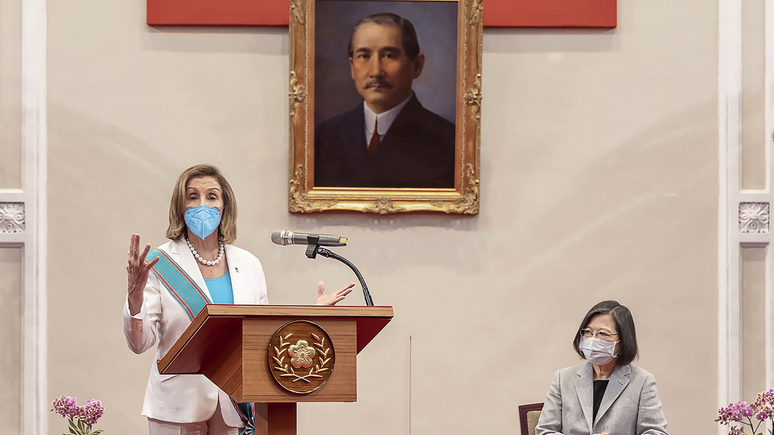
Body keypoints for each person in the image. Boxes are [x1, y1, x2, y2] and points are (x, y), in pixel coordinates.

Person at [123, 164, 354, 434]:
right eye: (193, 196)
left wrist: (310, 316)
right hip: (177, 405)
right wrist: (134, 299)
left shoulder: (248, 264)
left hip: (234, 403)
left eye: (212, 196)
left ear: (224, 206)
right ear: (180, 206)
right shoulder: (159, 263)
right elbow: (139, 344)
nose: (202, 205)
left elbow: (262, 335)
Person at [314, 12, 456, 189]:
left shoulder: (449, 142)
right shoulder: (324, 137)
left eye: (389, 55)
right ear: (352, 67)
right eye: (364, 56)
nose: (375, 71)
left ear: (417, 66)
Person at [535, 301, 668, 435]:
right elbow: (544, 431)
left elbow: (656, 432)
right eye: (588, 332)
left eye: (603, 334)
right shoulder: (563, 378)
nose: (593, 339)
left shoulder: (642, 381)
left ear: (623, 340)